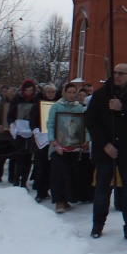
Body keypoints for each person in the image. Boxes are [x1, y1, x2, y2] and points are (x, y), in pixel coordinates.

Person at [86, 64, 127, 241]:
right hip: (105, 150)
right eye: (115, 72)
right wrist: (104, 144)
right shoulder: (101, 94)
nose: (117, 76)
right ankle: (97, 224)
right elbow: (91, 121)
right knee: (102, 189)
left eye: (121, 73)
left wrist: (123, 108)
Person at [47, 83, 88, 214]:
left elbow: (84, 125)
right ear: (64, 93)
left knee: (70, 173)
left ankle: (66, 199)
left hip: (73, 146)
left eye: (73, 93)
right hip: (58, 146)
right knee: (58, 173)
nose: (71, 95)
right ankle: (59, 200)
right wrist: (52, 140)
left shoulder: (79, 108)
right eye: (69, 92)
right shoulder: (56, 106)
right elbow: (50, 124)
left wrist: (86, 139)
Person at [7, 79, 41, 189]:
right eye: (27, 90)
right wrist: (12, 125)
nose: (29, 93)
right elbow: (10, 114)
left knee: (28, 158)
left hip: (31, 131)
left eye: (31, 90)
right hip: (19, 132)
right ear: (23, 90)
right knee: (19, 157)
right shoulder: (17, 98)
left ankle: (24, 182)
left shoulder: (36, 99)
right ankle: (16, 180)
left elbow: (39, 114)